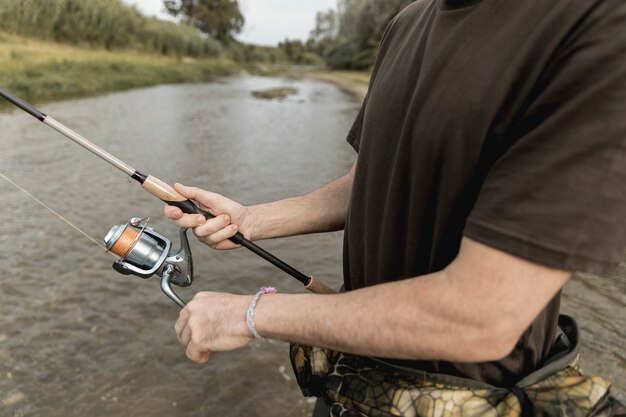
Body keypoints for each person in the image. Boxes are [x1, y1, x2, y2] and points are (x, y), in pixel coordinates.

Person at [165, 0, 626, 415]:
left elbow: (481, 318)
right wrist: (252, 219)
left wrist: (250, 314)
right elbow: (366, 182)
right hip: (350, 387)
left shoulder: (600, 27)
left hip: (474, 402)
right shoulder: (406, 23)